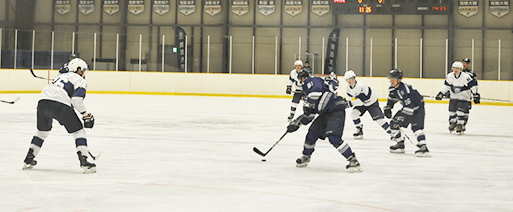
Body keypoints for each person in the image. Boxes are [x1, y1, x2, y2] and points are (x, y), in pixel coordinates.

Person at [22, 58, 97, 173]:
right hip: (60, 105)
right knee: (78, 132)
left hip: (43, 103)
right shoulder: (79, 79)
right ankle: (84, 161)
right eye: (83, 71)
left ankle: (28, 159)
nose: (83, 74)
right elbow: (76, 100)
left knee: (42, 132)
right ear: (78, 70)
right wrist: (86, 115)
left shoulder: (58, 77)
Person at [286, 69, 362, 172]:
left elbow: (315, 94)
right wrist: (297, 124)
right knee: (312, 133)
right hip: (325, 113)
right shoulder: (308, 92)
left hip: (335, 110)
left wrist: (308, 105)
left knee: (333, 137)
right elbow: (310, 115)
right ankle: (306, 156)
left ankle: (353, 160)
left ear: (302, 78)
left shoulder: (310, 80)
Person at [384, 69, 430, 157]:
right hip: (408, 108)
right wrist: (388, 107)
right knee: (393, 124)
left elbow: (410, 108)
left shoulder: (405, 91)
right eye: (391, 78)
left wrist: (401, 118)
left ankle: (423, 146)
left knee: (416, 127)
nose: (391, 80)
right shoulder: (392, 88)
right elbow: (391, 98)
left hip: (417, 109)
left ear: (399, 79)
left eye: (394, 78)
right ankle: (400, 143)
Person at [343, 70, 392, 139]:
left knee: (379, 120)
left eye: (350, 79)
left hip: (372, 102)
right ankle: (359, 130)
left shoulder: (361, 86)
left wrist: (350, 104)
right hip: (363, 103)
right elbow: (349, 97)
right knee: (354, 114)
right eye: (347, 80)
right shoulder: (348, 87)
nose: (349, 81)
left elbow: (362, 101)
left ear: (354, 78)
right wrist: (343, 103)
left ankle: (392, 133)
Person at [435, 61, 479, 134]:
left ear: (461, 69)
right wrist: (442, 93)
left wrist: (475, 94)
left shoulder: (466, 76)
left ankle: (460, 125)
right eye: (454, 68)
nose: (456, 70)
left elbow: (473, 85)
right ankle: (453, 123)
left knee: (460, 112)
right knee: (452, 112)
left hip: (464, 96)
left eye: (457, 68)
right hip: (454, 96)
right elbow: (447, 86)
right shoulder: (450, 76)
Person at [461, 57, 480, 125]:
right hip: (458, 94)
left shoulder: (471, 73)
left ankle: (463, 124)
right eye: (464, 63)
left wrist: (475, 94)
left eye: (466, 63)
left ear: (468, 65)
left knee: (466, 110)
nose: (465, 65)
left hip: (467, 95)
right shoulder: (457, 72)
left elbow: (474, 84)